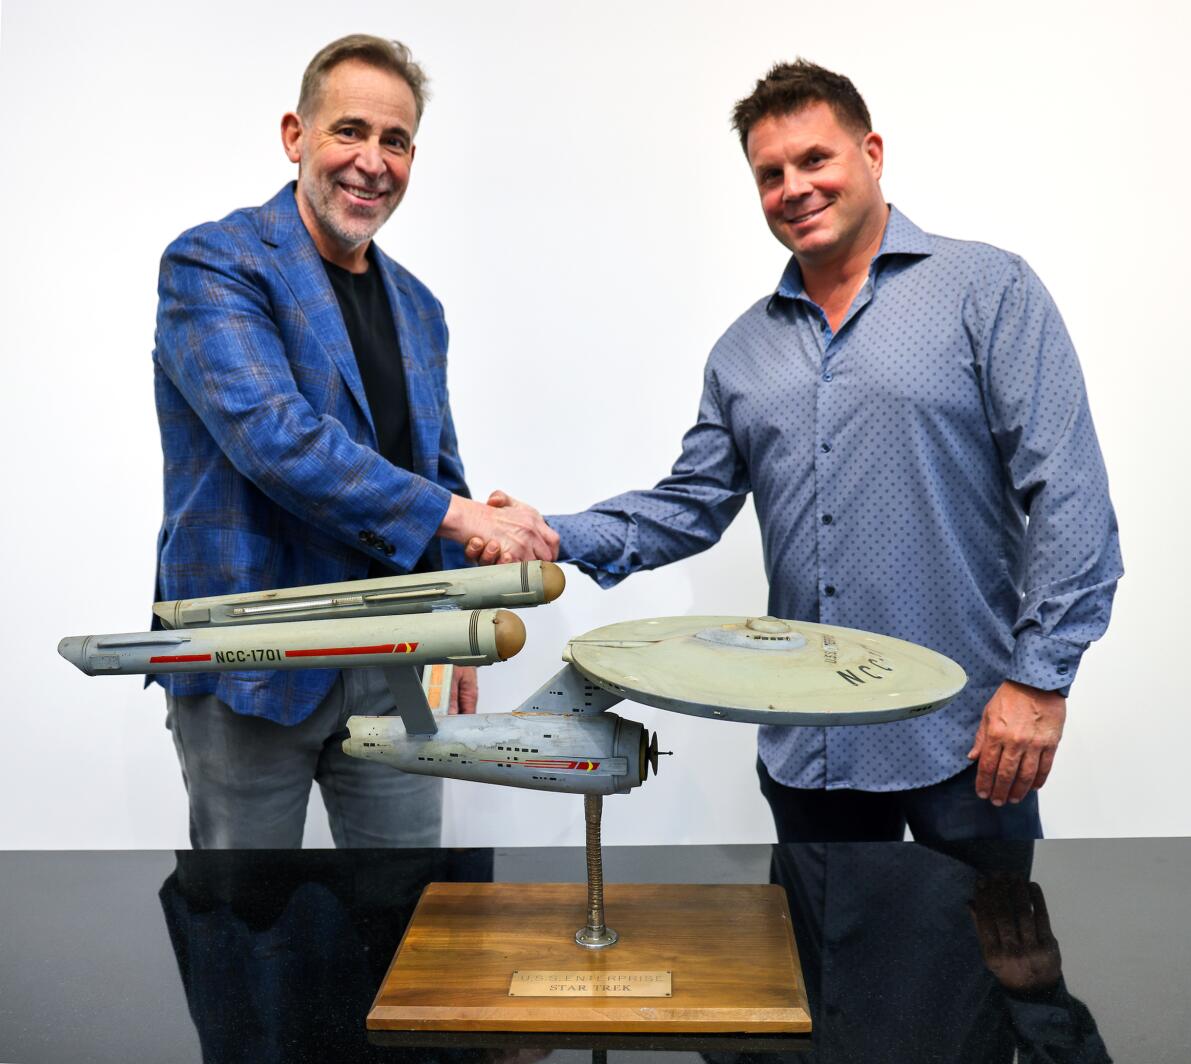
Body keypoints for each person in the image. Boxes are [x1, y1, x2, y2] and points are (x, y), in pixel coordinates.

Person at [469, 59, 1121, 842]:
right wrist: (550, 532)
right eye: (770, 174)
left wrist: (1039, 681)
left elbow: (1069, 494)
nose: (794, 188)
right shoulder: (743, 352)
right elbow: (688, 506)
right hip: (812, 750)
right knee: (821, 966)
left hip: (970, 736)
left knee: (988, 960)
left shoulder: (989, 290)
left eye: (816, 159)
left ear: (871, 154)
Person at [152, 34, 558, 849]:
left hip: (394, 662)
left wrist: (463, 625)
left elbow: (437, 470)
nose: (372, 161)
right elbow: (277, 442)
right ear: (295, 136)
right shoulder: (214, 264)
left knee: (409, 919)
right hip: (249, 669)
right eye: (350, 131)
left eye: (396, 141)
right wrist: (466, 516)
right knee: (247, 927)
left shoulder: (420, 306)